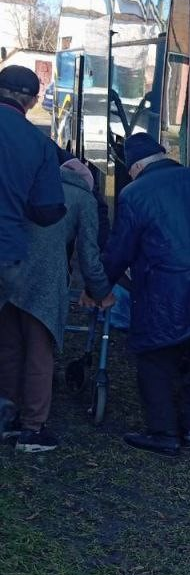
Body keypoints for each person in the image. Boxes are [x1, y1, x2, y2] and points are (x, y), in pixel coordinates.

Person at [98, 132, 190, 456]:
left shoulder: (134, 194)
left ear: (135, 166)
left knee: (154, 361)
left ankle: (163, 433)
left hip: (167, 295)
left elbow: (120, 251)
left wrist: (99, 286)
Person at [2, 157, 114, 452]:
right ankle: (32, 430)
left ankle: (8, 419)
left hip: (8, 275)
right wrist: (101, 291)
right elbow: (89, 256)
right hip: (43, 282)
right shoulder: (83, 198)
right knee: (40, 355)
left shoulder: (29, 186)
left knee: (10, 351)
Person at [0, 65, 67, 447]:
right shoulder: (38, 144)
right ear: (30, 100)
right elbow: (48, 211)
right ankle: (17, 420)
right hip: (7, 254)